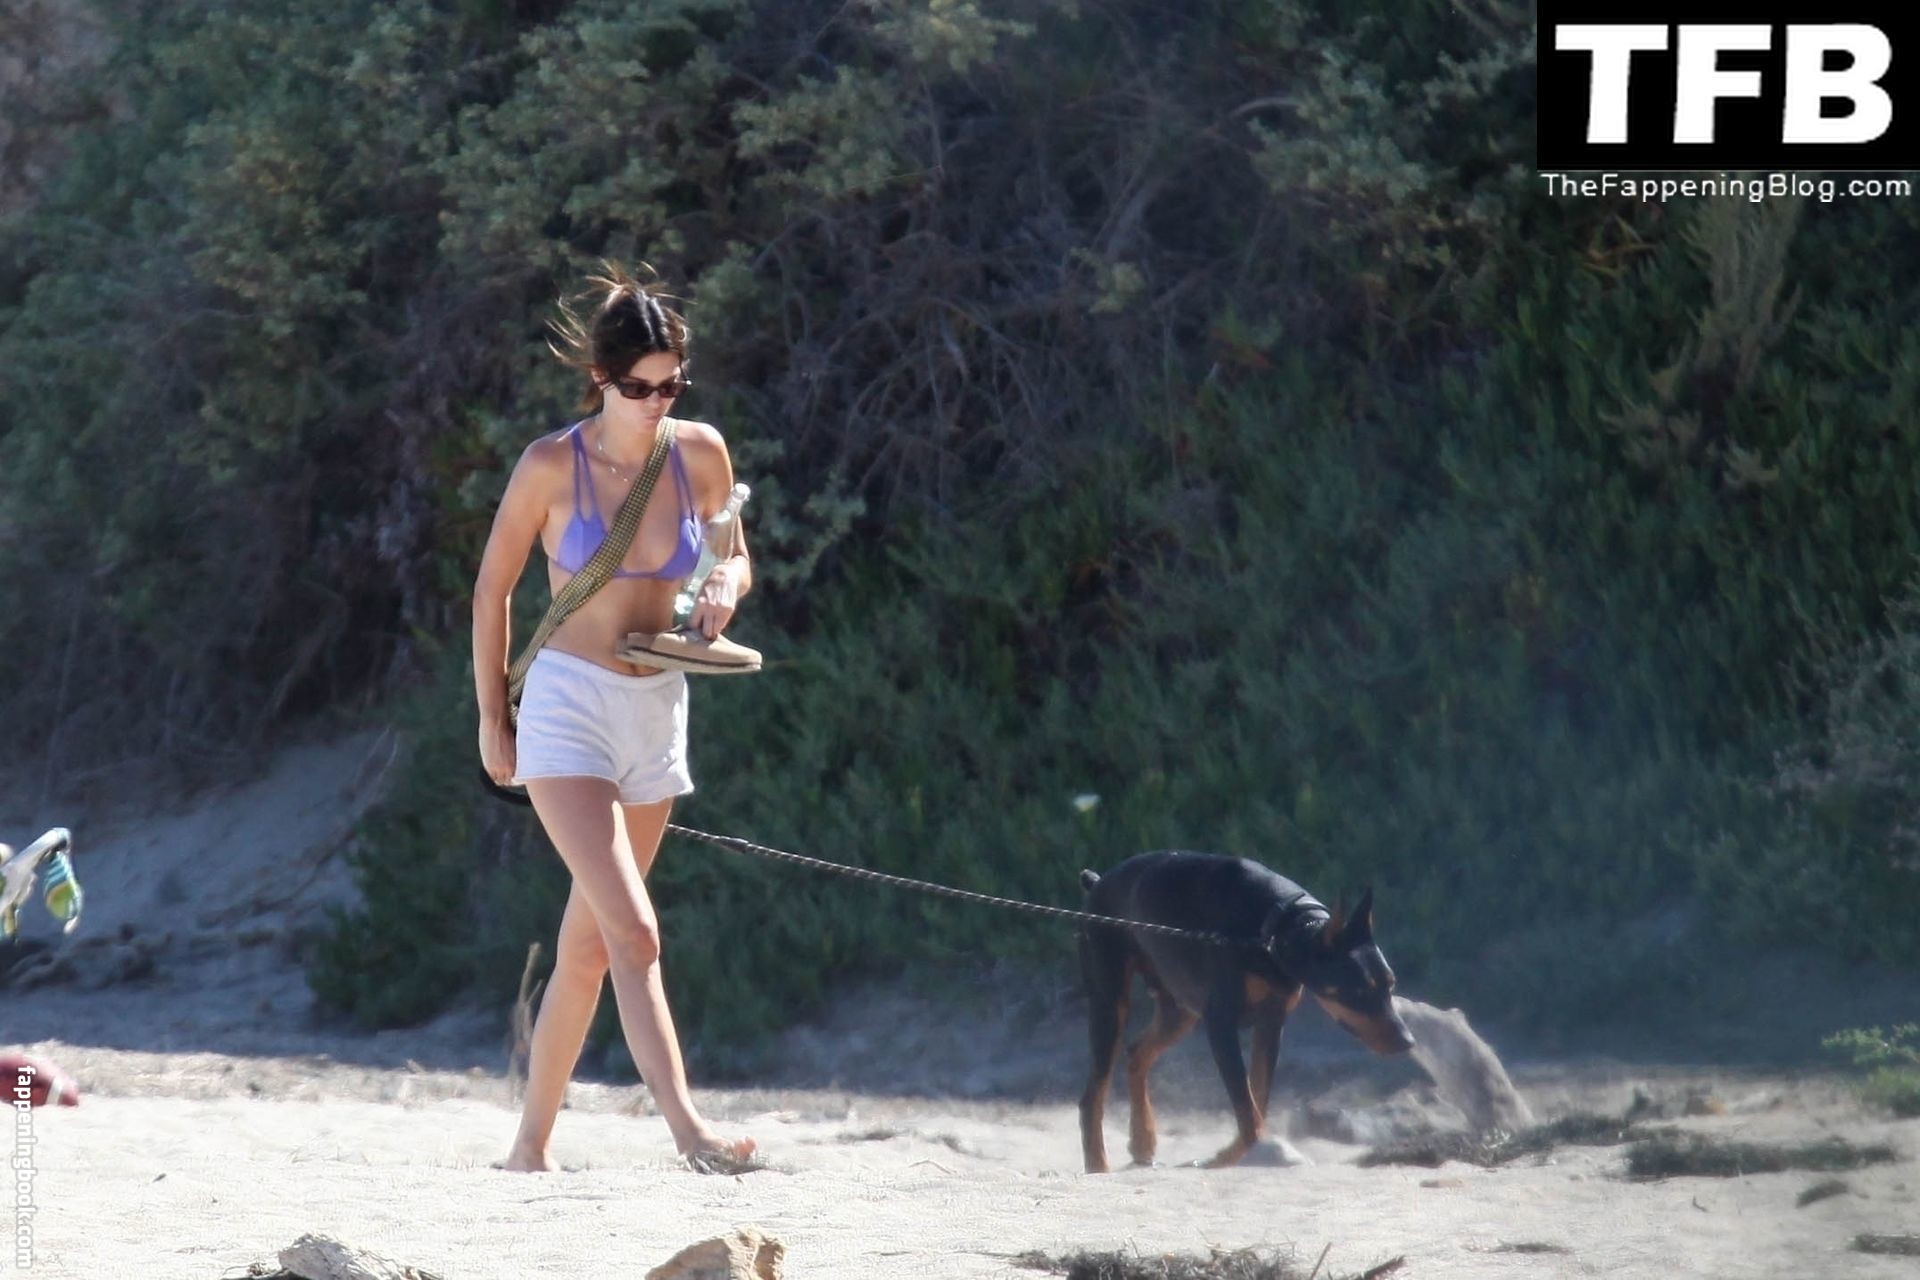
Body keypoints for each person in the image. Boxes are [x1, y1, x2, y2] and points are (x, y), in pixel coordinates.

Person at [472, 265, 755, 1172]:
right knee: (635, 932)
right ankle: (691, 1132)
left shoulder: (701, 453)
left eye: (671, 384)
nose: (655, 402)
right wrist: (492, 719)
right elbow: (492, 590)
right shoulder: (549, 464)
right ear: (600, 378)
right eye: (638, 387)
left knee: (591, 945)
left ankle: (528, 1150)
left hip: (656, 705)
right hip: (567, 708)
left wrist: (724, 582)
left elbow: (734, 552)